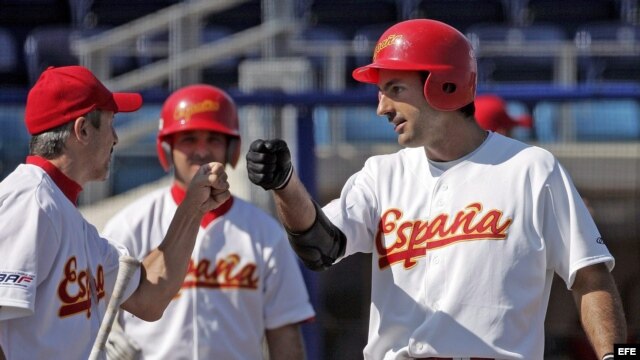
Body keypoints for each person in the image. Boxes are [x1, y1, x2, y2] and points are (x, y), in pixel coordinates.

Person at [245, 19, 627, 360]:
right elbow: (319, 247)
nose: (381, 107)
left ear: (444, 85)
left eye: (394, 88)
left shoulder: (532, 169)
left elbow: (591, 277)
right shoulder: (381, 175)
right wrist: (285, 185)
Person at [0, 66, 230, 359]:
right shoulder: (30, 202)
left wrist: (192, 208)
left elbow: (149, 297)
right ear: (82, 130)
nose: (116, 138)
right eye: (110, 123)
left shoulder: (66, 215)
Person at [102, 84, 315, 360]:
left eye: (214, 139)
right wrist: (106, 334)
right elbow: (92, 311)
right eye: (188, 139)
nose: (201, 151)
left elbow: (284, 332)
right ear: (167, 148)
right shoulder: (130, 224)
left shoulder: (265, 232)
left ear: (231, 149)